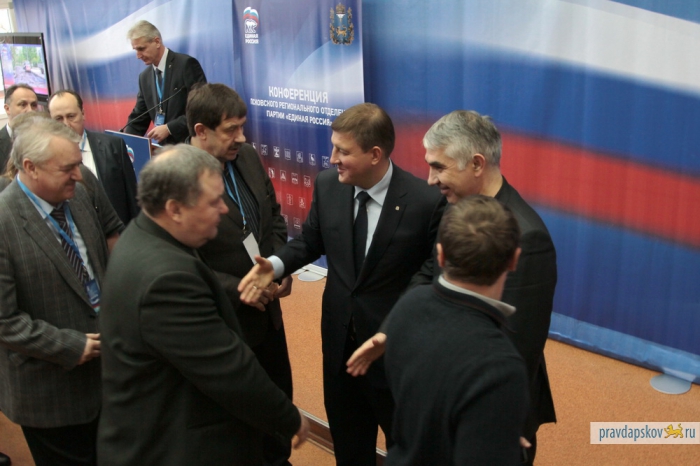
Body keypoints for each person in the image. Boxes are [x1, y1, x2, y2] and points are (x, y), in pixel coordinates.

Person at [238, 103, 445, 466]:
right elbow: (310, 241)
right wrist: (274, 265)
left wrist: (395, 329)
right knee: (349, 448)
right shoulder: (327, 185)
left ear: (375, 154)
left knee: (410, 450)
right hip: (339, 349)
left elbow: (430, 275)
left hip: (394, 352)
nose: (332, 158)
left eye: (342, 151)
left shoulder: (425, 202)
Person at [348, 110, 557, 465]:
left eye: (439, 168)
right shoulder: (453, 205)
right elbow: (429, 272)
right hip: (439, 391)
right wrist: (391, 330)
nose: (430, 180)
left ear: (476, 164)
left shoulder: (529, 236)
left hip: (489, 406)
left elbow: (520, 344)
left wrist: (501, 417)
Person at [97, 144, 308, 466]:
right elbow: (226, 369)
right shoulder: (167, 279)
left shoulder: (141, 236)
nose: (224, 210)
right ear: (175, 209)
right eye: (213, 202)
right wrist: (289, 417)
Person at [0, 118, 123, 466]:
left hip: (108, 382)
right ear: (30, 167)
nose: (79, 176)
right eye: (67, 169)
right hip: (51, 395)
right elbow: (5, 321)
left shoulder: (79, 196)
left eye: (78, 165)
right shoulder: (4, 222)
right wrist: (72, 345)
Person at [187, 83, 296, 466]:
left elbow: (274, 217)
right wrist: (241, 288)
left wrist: (280, 267)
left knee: (278, 406)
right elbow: (181, 264)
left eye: (242, 127)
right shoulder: (178, 177)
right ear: (201, 131)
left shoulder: (246, 157)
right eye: (230, 130)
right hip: (224, 325)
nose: (242, 138)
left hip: (269, 318)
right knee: (237, 428)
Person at [384, 195, 529, 465]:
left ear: (440, 255)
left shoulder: (407, 306)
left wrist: (491, 431)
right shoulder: (500, 368)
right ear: (514, 260)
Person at [49, 89, 139, 225]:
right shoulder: (45, 160)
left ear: (83, 114)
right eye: (58, 119)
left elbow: (133, 201)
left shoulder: (114, 146)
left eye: (71, 116)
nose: (66, 124)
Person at [123, 20, 207, 144]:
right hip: (164, 150)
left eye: (141, 49)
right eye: (136, 50)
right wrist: (124, 141)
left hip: (189, 146)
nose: (138, 55)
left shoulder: (186, 65)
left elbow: (202, 108)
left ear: (157, 42)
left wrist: (169, 128)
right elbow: (139, 118)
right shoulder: (144, 77)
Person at [0, 84, 39, 169]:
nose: (30, 110)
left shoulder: (44, 139)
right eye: (23, 104)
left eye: (33, 105)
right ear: (7, 109)